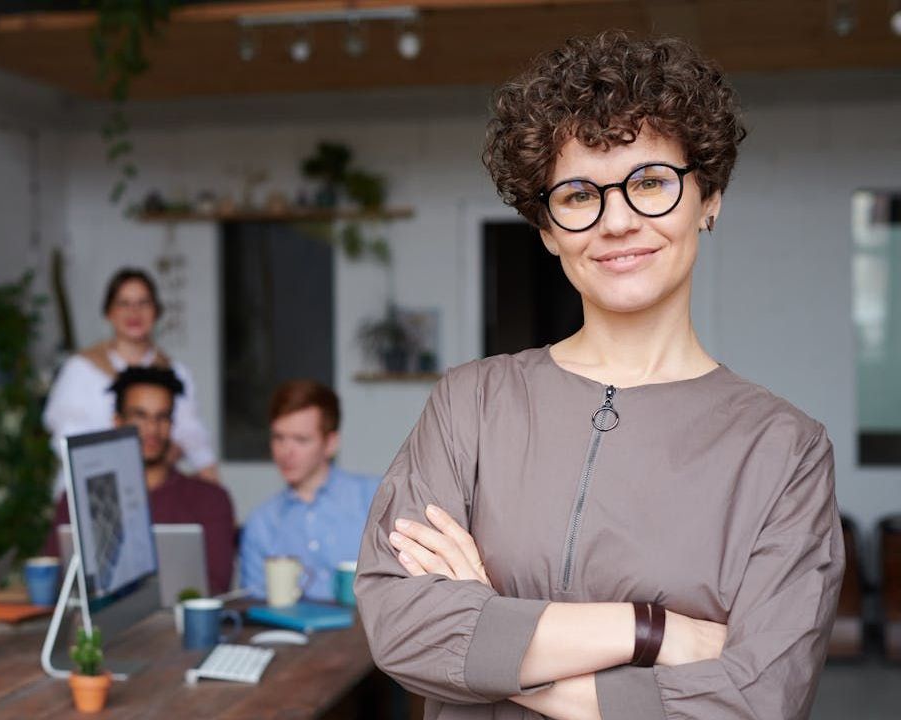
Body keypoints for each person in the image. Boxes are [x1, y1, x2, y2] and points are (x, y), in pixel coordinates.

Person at [355, 31, 844, 720]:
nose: (616, 221)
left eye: (649, 183)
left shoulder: (783, 449)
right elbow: (402, 627)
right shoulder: (470, 406)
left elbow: (758, 700)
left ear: (709, 198)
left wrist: (491, 642)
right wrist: (652, 632)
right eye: (580, 194)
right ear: (549, 227)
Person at [46, 367, 236, 595]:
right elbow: (53, 582)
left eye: (162, 417)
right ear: (117, 422)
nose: (152, 429)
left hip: (178, 626)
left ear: (172, 424)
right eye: (140, 416)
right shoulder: (78, 498)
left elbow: (216, 587)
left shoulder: (210, 499)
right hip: (100, 626)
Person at [43, 268, 217, 487]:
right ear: (109, 313)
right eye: (124, 303)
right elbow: (65, 437)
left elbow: (191, 435)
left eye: (143, 303)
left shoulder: (174, 372)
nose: (134, 312)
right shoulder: (81, 368)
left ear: (156, 311)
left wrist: (209, 476)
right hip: (89, 484)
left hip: (153, 489)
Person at [239, 380, 379, 602]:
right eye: (279, 438)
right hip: (290, 636)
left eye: (301, 440)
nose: (286, 451)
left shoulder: (374, 497)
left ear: (330, 443)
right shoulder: (262, 522)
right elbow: (254, 607)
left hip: (369, 634)